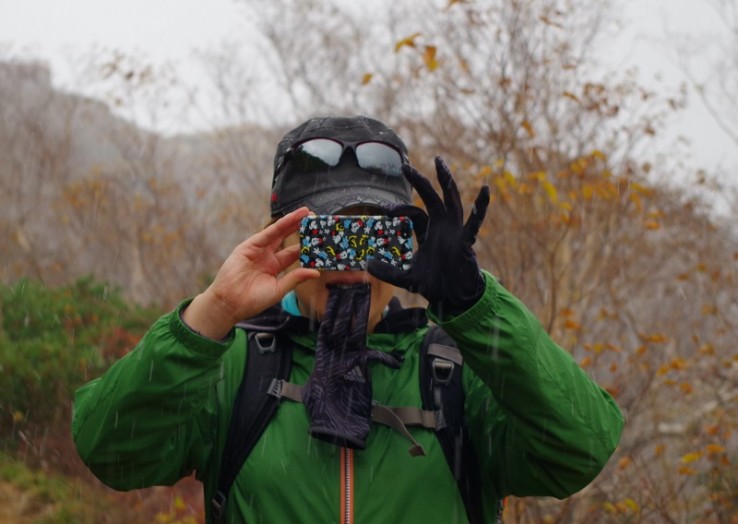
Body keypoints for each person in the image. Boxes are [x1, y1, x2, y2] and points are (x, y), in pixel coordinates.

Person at [72, 115, 624, 523]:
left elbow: (581, 447)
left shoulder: (454, 372)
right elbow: (113, 453)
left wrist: (474, 306)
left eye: (373, 238)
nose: (352, 265)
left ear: (408, 246)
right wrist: (210, 315)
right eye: (329, 238)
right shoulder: (236, 366)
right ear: (283, 239)